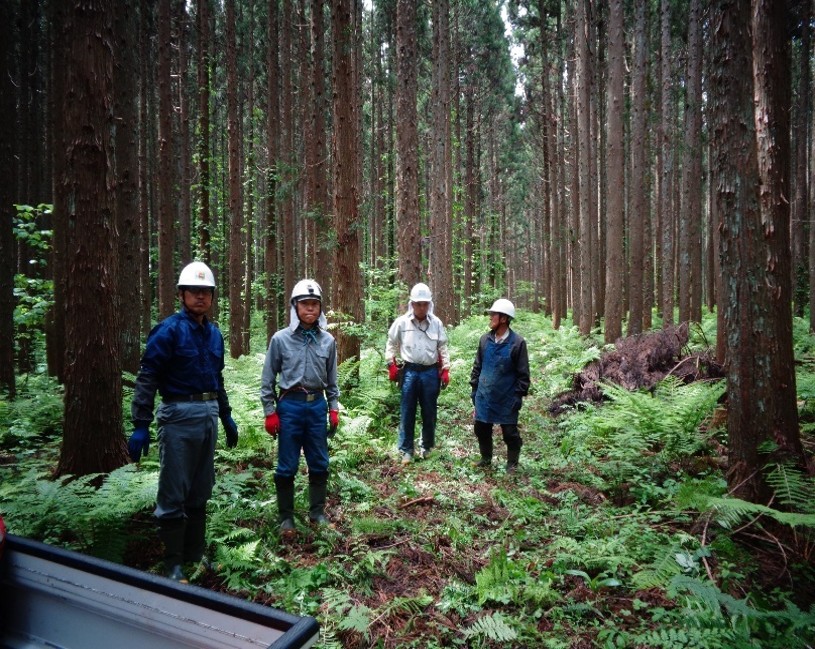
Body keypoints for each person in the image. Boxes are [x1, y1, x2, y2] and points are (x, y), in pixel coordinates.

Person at [128, 261, 239, 582]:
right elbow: (148, 378)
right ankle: (172, 562)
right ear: (181, 294)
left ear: (213, 296)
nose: (201, 297)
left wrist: (227, 415)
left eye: (206, 292)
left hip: (208, 416)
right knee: (173, 489)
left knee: (201, 488)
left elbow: (216, 378)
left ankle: (194, 554)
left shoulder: (214, 333)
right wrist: (141, 423)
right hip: (177, 416)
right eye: (194, 291)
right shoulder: (168, 331)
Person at [261, 279, 340, 536]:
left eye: (314, 305)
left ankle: (317, 513)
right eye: (305, 304)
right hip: (290, 406)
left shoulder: (327, 341)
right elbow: (267, 378)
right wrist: (270, 411)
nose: (310, 309)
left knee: (319, 461)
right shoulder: (280, 340)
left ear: (320, 308)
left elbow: (332, 379)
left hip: (316, 406)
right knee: (287, 464)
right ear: (295, 307)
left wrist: (333, 408)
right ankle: (286, 518)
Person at [385, 282, 451, 464]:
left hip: (430, 372)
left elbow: (442, 347)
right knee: (407, 410)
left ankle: (427, 446)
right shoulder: (401, 323)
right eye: (418, 303)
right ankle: (407, 450)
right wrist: (391, 364)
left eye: (425, 304)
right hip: (409, 372)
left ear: (429, 304)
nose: (422, 307)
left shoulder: (436, 323)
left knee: (429, 411)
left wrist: (445, 369)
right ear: (412, 304)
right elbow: (391, 343)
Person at [470, 298, 530, 473]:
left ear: (503, 318)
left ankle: (512, 464)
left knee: (510, 432)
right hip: (485, 394)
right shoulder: (484, 340)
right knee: (481, 428)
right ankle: (486, 459)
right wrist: (475, 390)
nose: (490, 317)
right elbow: (477, 367)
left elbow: (523, 374)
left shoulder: (517, 343)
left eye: (493, 315)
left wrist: (518, 395)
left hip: (506, 396)